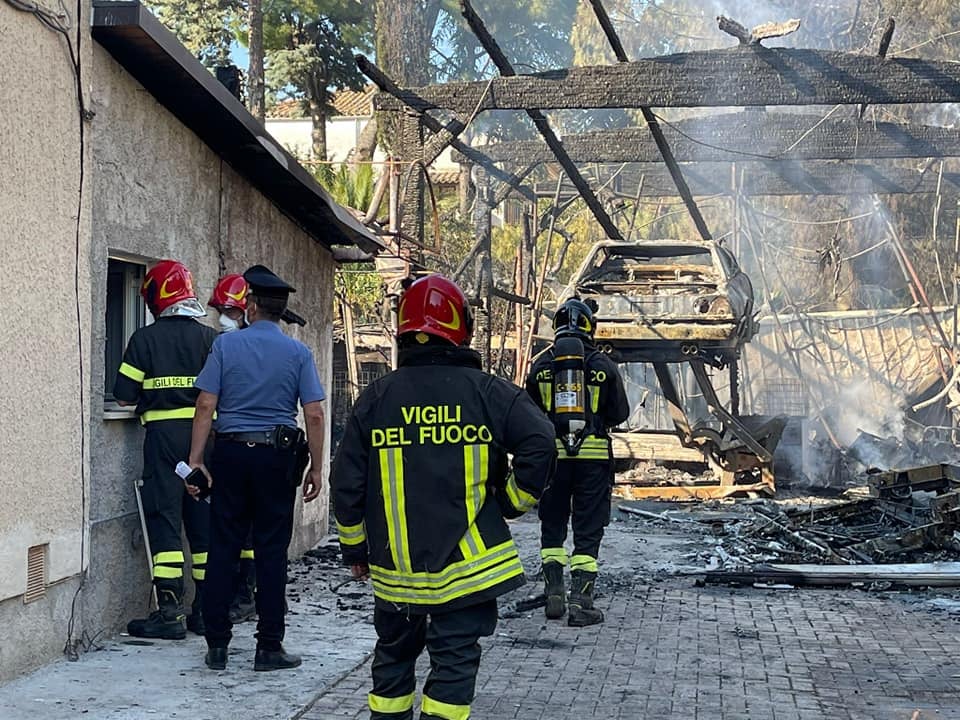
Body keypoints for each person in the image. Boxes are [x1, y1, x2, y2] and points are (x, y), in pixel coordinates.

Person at [332, 274, 556, 720]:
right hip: (470, 569)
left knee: (393, 660)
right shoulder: (489, 393)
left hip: (396, 572)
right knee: (454, 663)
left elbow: (346, 483)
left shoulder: (376, 398)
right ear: (461, 328)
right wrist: (510, 502)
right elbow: (542, 443)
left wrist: (355, 548)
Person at [187, 264, 326, 672]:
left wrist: (197, 460)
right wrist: (317, 469)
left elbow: (205, 405)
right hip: (277, 460)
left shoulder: (226, 347)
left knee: (223, 546)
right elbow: (314, 414)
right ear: (281, 311)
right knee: (270, 551)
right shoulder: (298, 353)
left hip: (230, 455)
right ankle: (268, 647)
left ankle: (217, 645)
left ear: (249, 306)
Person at [113, 259, 218, 639]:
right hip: (206, 440)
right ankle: (205, 612)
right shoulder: (211, 339)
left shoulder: (144, 340)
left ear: (158, 297)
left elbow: (123, 397)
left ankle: (169, 613)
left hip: (163, 440)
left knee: (164, 519)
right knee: (203, 525)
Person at [525, 297, 630, 627]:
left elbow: (528, 414)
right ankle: (581, 601)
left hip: (554, 461)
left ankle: (554, 590)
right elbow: (620, 413)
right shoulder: (603, 365)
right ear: (589, 326)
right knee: (587, 531)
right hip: (593, 462)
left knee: (552, 525)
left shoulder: (541, 366)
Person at [207, 274, 257, 624]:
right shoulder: (225, 347)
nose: (223, 318)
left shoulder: (240, 349)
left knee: (249, 531)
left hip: (244, 448)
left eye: (229, 311)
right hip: (241, 448)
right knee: (244, 529)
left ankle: (247, 596)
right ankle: (254, 598)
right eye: (221, 310)